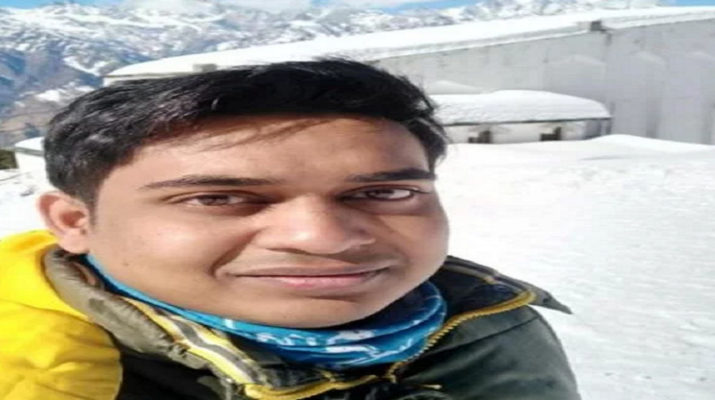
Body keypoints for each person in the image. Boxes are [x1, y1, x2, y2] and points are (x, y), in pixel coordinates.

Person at [0, 59, 580, 400]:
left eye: (383, 193)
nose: (324, 238)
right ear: (75, 222)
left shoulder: (485, 318)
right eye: (218, 198)